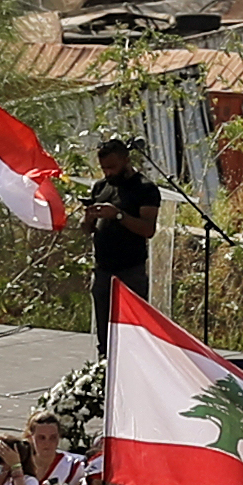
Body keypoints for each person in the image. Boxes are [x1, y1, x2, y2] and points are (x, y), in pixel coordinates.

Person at [87, 146, 164, 356]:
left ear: (126, 160)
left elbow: (148, 229)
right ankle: (104, 369)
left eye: (112, 167)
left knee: (134, 331)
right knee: (104, 334)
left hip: (130, 270)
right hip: (103, 269)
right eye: (104, 168)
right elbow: (87, 230)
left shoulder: (145, 189)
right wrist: (89, 217)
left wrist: (118, 215)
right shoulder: (101, 187)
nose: (108, 173)